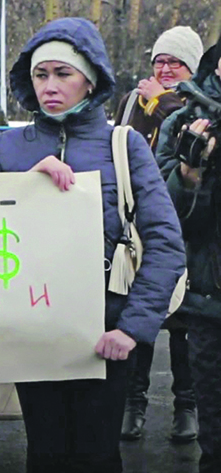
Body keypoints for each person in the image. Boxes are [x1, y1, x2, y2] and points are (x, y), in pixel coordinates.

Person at [0, 17, 186, 472]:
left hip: (106, 337)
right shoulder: (5, 150)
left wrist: (131, 329)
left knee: (97, 455)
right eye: (40, 74)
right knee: (45, 453)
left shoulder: (124, 146)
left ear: (90, 80)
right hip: (33, 332)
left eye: (63, 73)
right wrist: (22, 187)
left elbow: (166, 244)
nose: (49, 86)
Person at [114, 25, 203, 443]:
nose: (165, 69)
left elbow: (189, 136)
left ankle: (187, 406)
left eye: (176, 62)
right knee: (142, 310)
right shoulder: (132, 100)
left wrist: (161, 100)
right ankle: (133, 403)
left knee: (184, 320)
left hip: (186, 221)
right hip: (138, 221)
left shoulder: (199, 102)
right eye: (159, 61)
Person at [156, 35, 221, 473]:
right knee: (214, 428)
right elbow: (167, 214)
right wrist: (189, 172)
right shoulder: (184, 122)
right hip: (210, 299)